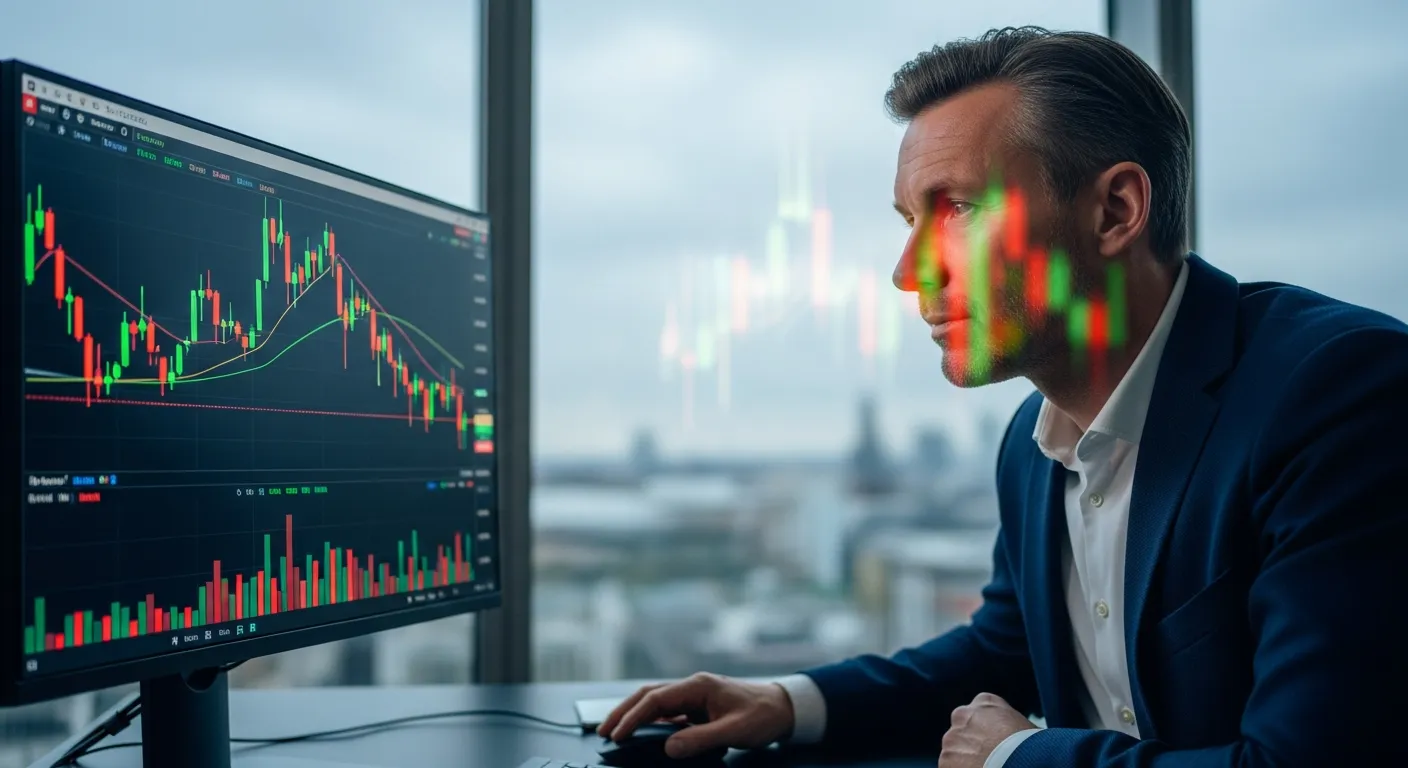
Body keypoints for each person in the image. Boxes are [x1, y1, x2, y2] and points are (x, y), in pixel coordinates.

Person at [598, 25, 1408, 768]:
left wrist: (1017, 759)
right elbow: (1006, 650)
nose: (910, 270)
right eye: (908, 220)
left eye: (956, 209)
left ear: (1115, 211)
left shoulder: (1336, 394)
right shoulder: (1034, 440)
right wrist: (786, 703)